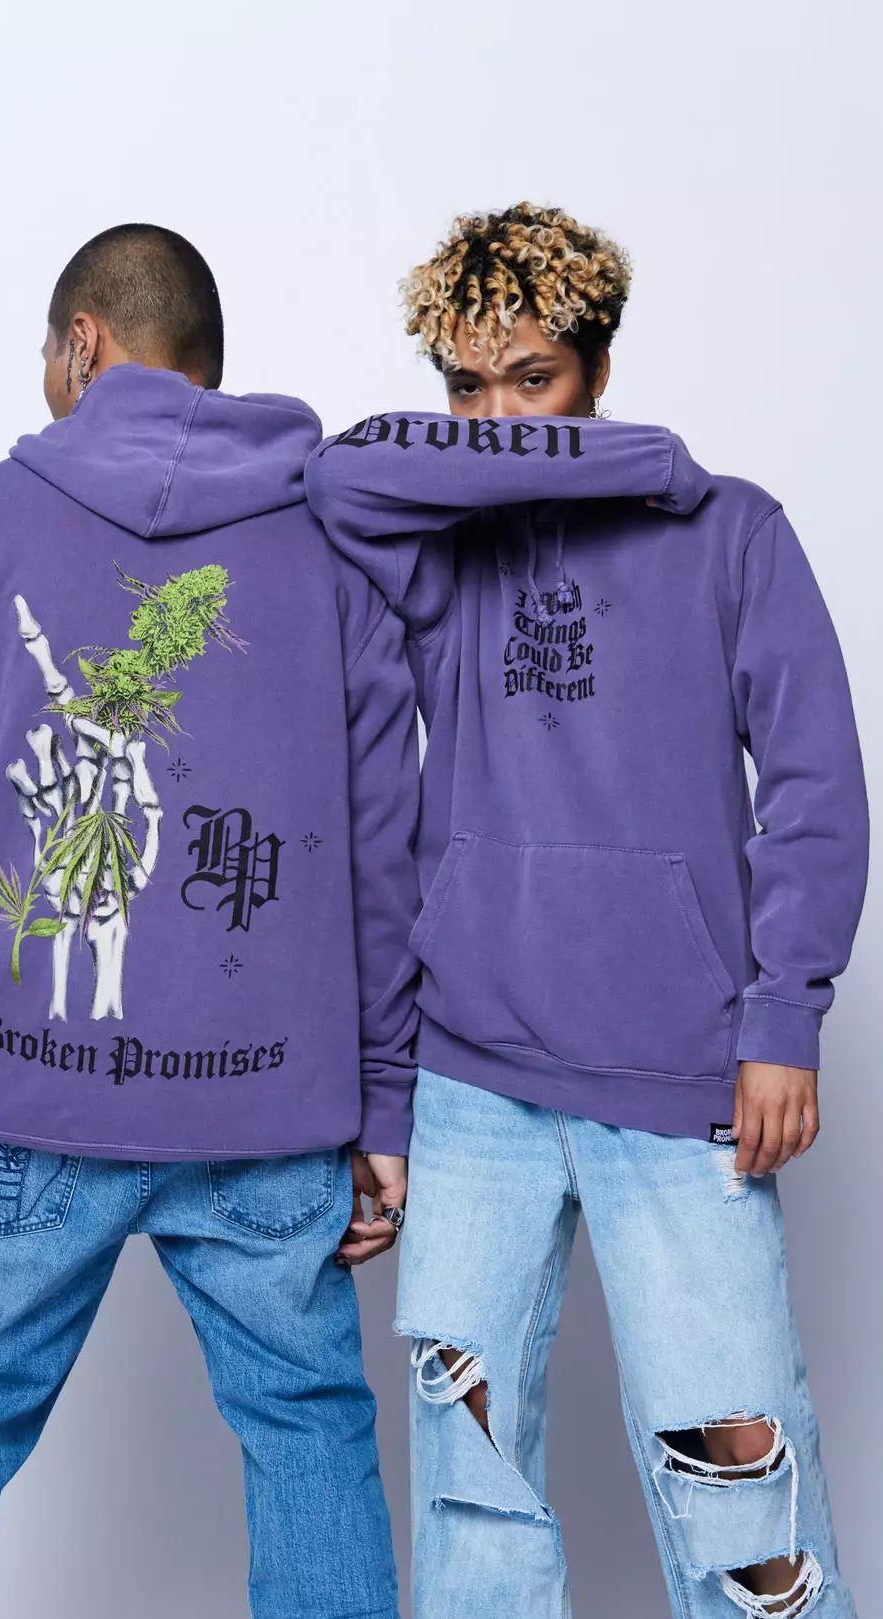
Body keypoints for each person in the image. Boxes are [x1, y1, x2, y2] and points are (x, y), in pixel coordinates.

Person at [0, 222, 419, 1619]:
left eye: (47, 357)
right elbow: (387, 850)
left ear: (82, 344)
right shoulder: (338, 555)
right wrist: (386, 1100)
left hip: (19, 1095)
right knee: (309, 1432)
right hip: (268, 1111)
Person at [306, 202, 868, 1618]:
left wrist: (784, 1013)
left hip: (679, 1074)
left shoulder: (730, 531)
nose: (496, 422)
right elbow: (338, 474)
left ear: (602, 370)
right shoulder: (440, 549)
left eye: (534, 379)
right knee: (469, 1474)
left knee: (740, 1478)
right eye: (467, 389)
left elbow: (814, 786)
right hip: (472, 1076)